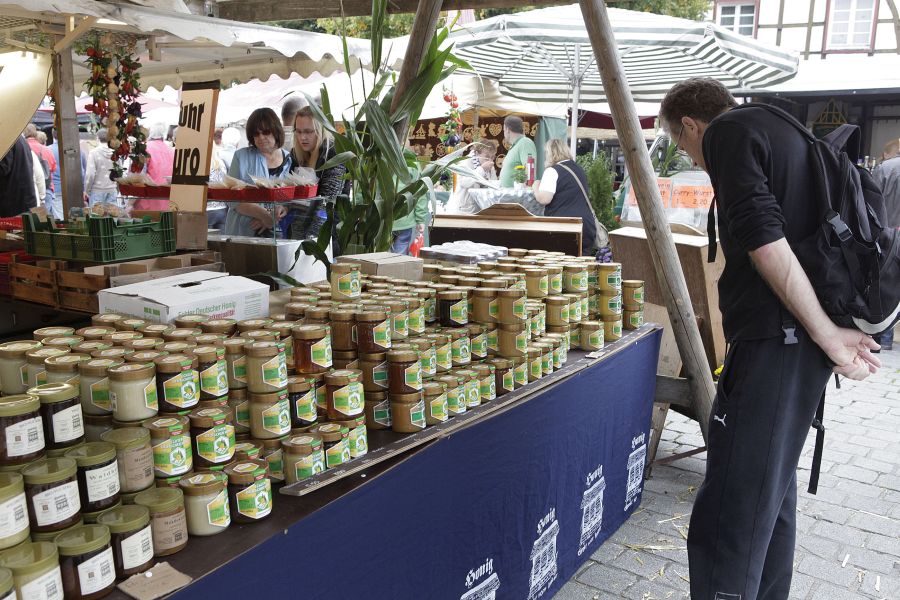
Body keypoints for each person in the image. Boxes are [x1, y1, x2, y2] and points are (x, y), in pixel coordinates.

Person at [659, 78, 880, 600]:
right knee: (770, 496)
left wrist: (828, 336)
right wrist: (822, 335)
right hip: (793, 344)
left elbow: (765, 240)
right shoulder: (783, 128)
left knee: (733, 509)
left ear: (690, 125)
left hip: (774, 342)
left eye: (680, 144)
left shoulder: (728, 133)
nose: (690, 155)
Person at [225, 107, 292, 237]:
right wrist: (264, 216)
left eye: (266, 132)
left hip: (277, 233)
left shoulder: (289, 158)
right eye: (256, 134)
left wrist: (279, 212)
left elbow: (290, 199)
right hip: (242, 232)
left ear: (276, 131)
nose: (261, 137)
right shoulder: (241, 156)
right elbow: (232, 198)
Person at [533, 138, 598, 256]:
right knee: (580, 264)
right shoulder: (578, 168)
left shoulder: (552, 171)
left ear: (551, 153)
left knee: (561, 265)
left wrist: (536, 186)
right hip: (586, 225)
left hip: (564, 227)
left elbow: (544, 199)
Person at [872, 138, 900, 350]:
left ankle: (883, 337)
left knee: (886, 282)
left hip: (887, 235)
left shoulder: (885, 168)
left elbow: (869, 200)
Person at [48, 127, 87, 219]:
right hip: (75, 188)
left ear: (53, 135)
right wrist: (83, 189)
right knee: (76, 217)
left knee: (61, 217)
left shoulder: (48, 150)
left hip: (57, 188)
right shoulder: (78, 150)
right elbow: (83, 171)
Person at [452, 140, 498, 213]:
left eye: (492, 157)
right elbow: (464, 182)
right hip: (464, 209)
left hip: (482, 208)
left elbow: (493, 184)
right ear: (477, 154)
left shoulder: (490, 165)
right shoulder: (465, 162)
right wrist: (482, 169)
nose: (490, 160)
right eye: (487, 156)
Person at [0, 135, 38, 217]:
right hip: (24, 202)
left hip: (13, 205)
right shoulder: (19, 138)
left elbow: (3, 168)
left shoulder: (5, 139)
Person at [24, 123, 56, 213]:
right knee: (44, 219)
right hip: (46, 189)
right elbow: (53, 167)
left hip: (26, 192)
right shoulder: (45, 149)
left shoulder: (21, 148)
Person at [497, 115, 537, 188]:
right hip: (509, 193)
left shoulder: (525, 142)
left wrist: (526, 191)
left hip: (517, 194)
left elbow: (530, 169)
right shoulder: (516, 145)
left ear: (507, 129)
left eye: (504, 130)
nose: (504, 133)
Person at [83, 129, 118, 206]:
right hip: (112, 190)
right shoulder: (115, 153)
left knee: (96, 213)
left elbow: (90, 174)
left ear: (97, 138)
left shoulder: (93, 153)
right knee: (111, 213)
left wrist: (86, 190)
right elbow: (120, 173)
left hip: (97, 191)